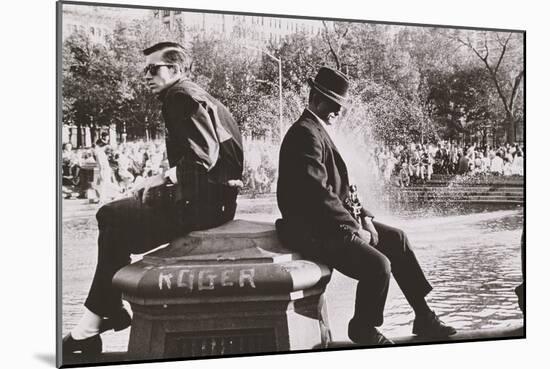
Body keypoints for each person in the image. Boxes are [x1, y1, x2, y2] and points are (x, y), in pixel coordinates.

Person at [63, 42, 244, 356]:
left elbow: (203, 156)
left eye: (153, 68)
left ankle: (99, 319)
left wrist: (160, 177)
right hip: (216, 201)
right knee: (113, 220)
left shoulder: (179, 97)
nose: (145, 75)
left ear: (174, 69)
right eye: (145, 68)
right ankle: (97, 319)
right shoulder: (196, 93)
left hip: (203, 206)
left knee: (111, 217)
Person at [276, 67, 456, 345]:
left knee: (397, 239)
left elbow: (341, 189)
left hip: (330, 223)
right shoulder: (305, 133)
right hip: (314, 230)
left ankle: (423, 316)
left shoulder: (316, 130)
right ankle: (363, 327)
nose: (339, 111)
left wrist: (365, 218)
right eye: (334, 105)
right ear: (315, 99)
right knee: (378, 266)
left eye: (341, 106)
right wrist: (353, 228)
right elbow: (317, 194)